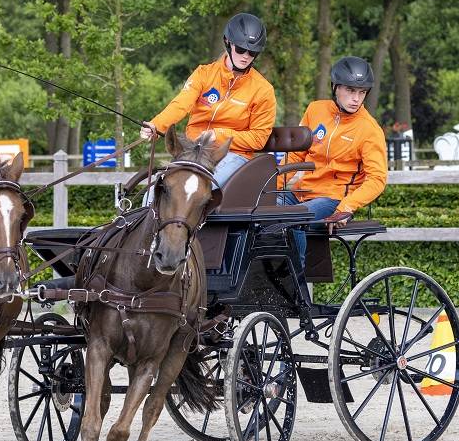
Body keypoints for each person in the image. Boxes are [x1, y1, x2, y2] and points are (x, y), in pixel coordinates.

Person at [141, 13, 276, 187]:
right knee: (155, 192)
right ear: (228, 42)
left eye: (253, 52)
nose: (246, 56)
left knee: (196, 186)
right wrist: (156, 125)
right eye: (241, 49)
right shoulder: (203, 74)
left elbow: (258, 138)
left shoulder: (263, 90)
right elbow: (181, 104)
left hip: (234, 154)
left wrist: (218, 135)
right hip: (193, 150)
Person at [278, 56, 389, 264]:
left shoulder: (370, 130)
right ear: (335, 87)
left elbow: (377, 179)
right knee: (261, 214)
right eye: (350, 90)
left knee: (294, 218)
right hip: (301, 193)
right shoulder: (315, 110)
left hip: (333, 199)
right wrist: (268, 188)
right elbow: (295, 155)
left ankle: (296, 280)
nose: (356, 99)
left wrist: (347, 206)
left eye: (362, 92)